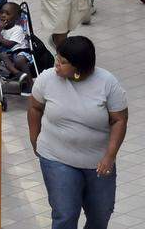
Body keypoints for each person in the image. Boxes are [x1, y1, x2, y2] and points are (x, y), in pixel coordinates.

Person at [28, 36, 128, 229]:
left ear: (79, 68)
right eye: (57, 58)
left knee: (101, 214)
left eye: (63, 62)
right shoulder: (47, 79)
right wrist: (35, 137)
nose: (56, 64)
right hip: (56, 157)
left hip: (98, 163)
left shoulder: (107, 83)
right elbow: (34, 107)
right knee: (65, 215)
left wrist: (110, 155)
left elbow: (119, 120)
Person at [0, 2, 32, 88]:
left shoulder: (17, 29)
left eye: (7, 14)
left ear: (16, 18)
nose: (3, 15)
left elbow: (9, 45)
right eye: (1, 13)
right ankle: (18, 74)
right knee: (2, 55)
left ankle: (30, 83)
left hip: (20, 52)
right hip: (7, 55)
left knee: (19, 59)